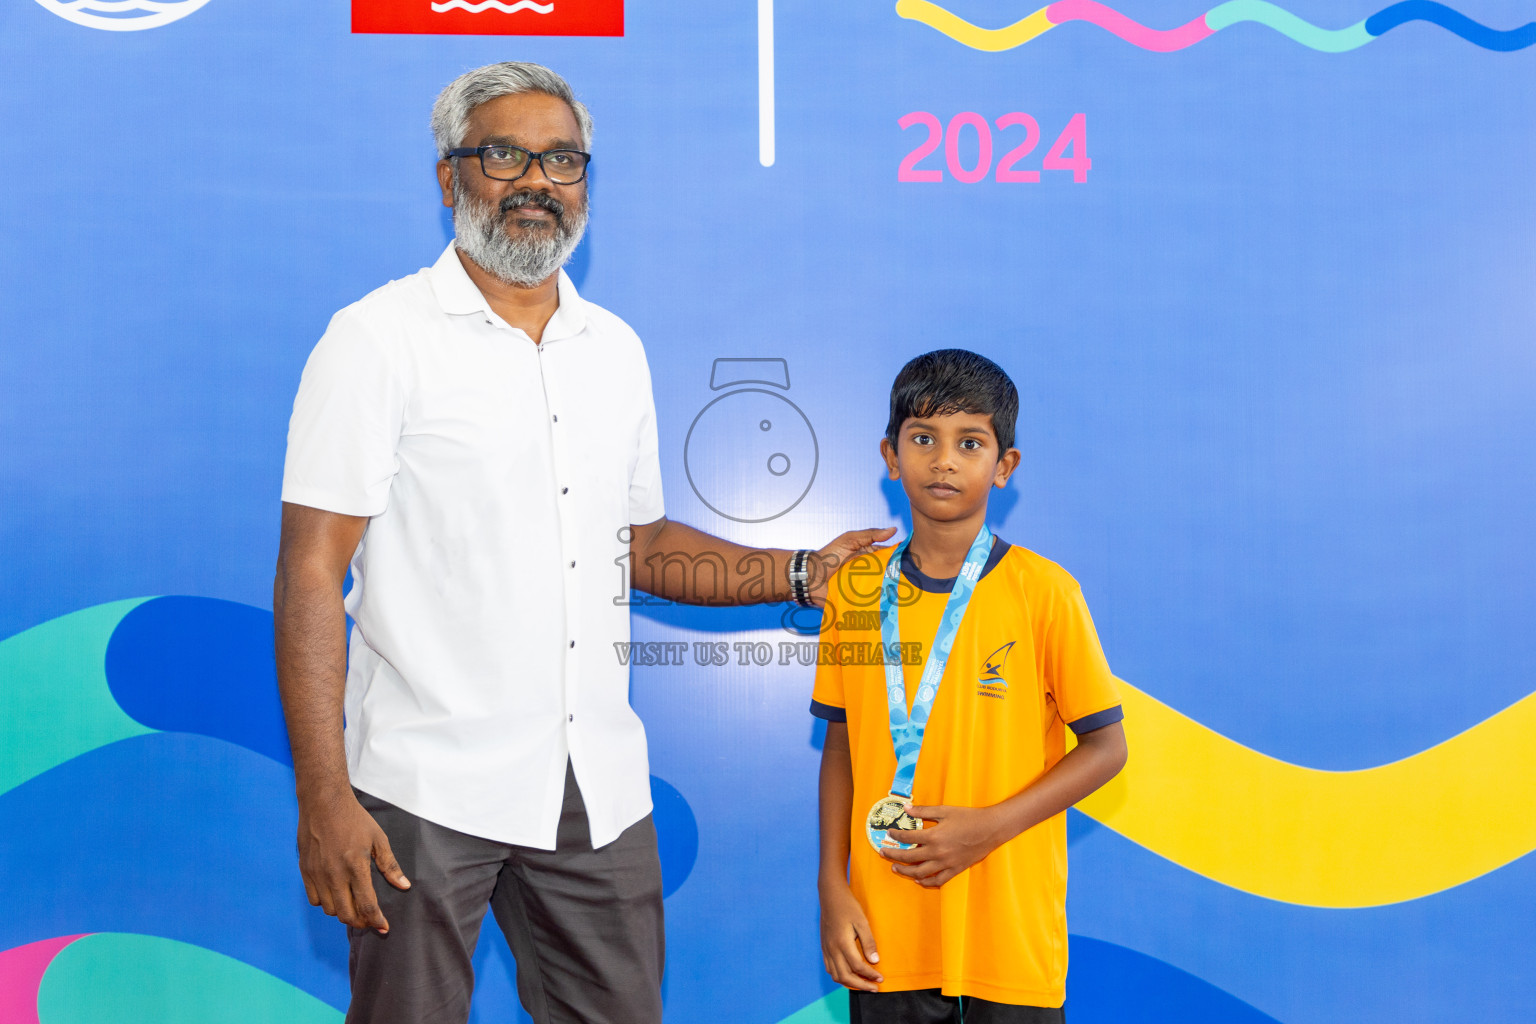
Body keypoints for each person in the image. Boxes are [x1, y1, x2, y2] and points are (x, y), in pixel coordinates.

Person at [274, 61, 891, 1024]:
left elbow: (638, 543)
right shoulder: (376, 340)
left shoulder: (616, 350)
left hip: (593, 790)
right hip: (424, 785)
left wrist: (804, 572)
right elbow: (312, 571)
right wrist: (324, 798)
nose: (537, 182)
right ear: (450, 178)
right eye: (504, 155)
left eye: (562, 161)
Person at [810, 349, 1128, 1023]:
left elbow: (1107, 748)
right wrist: (831, 887)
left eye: (970, 442)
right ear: (891, 457)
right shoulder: (857, 590)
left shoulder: (1044, 593)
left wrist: (988, 829)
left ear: (1004, 466)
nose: (944, 460)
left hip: (1005, 930)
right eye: (922, 438)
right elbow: (841, 743)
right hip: (885, 928)